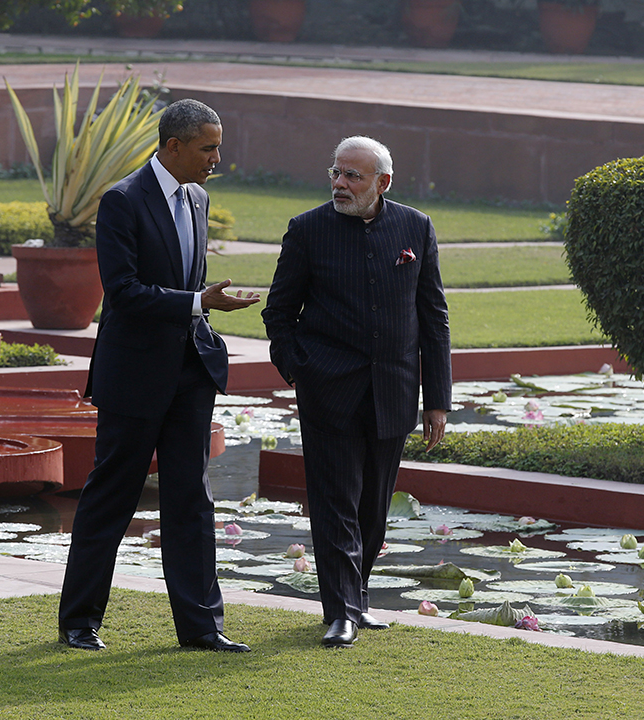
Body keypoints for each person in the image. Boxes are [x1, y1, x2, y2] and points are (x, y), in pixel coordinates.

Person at [58, 98, 259, 653]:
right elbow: (122, 293)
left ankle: (201, 628)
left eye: (218, 146)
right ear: (174, 147)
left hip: (189, 372)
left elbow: (182, 286)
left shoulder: (198, 196)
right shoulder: (122, 200)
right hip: (134, 376)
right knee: (112, 496)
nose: (218, 158)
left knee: (191, 498)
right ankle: (79, 622)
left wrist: (205, 304)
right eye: (208, 147)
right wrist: (199, 300)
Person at [262, 136, 452, 648]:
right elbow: (279, 313)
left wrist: (436, 399)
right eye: (337, 173)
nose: (340, 185)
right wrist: (298, 368)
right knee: (335, 503)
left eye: (353, 176)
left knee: (373, 505)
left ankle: (358, 597)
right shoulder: (307, 230)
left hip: (393, 391)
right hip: (327, 390)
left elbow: (433, 318)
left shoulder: (415, 227)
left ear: (382, 182)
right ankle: (341, 611)